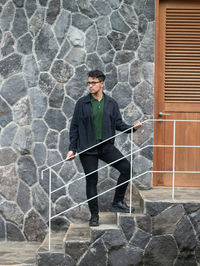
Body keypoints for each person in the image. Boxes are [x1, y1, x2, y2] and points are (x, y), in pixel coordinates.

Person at [66, 70, 142, 226]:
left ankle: (117, 203)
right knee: (91, 181)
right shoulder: (82, 103)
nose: (90, 86)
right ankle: (94, 216)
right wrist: (72, 148)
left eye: (93, 83)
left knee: (126, 168)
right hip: (87, 149)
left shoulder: (111, 103)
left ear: (102, 83)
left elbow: (118, 124)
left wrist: (132, 128)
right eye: (88, 83)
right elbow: (74, 127)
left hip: (106, 146)